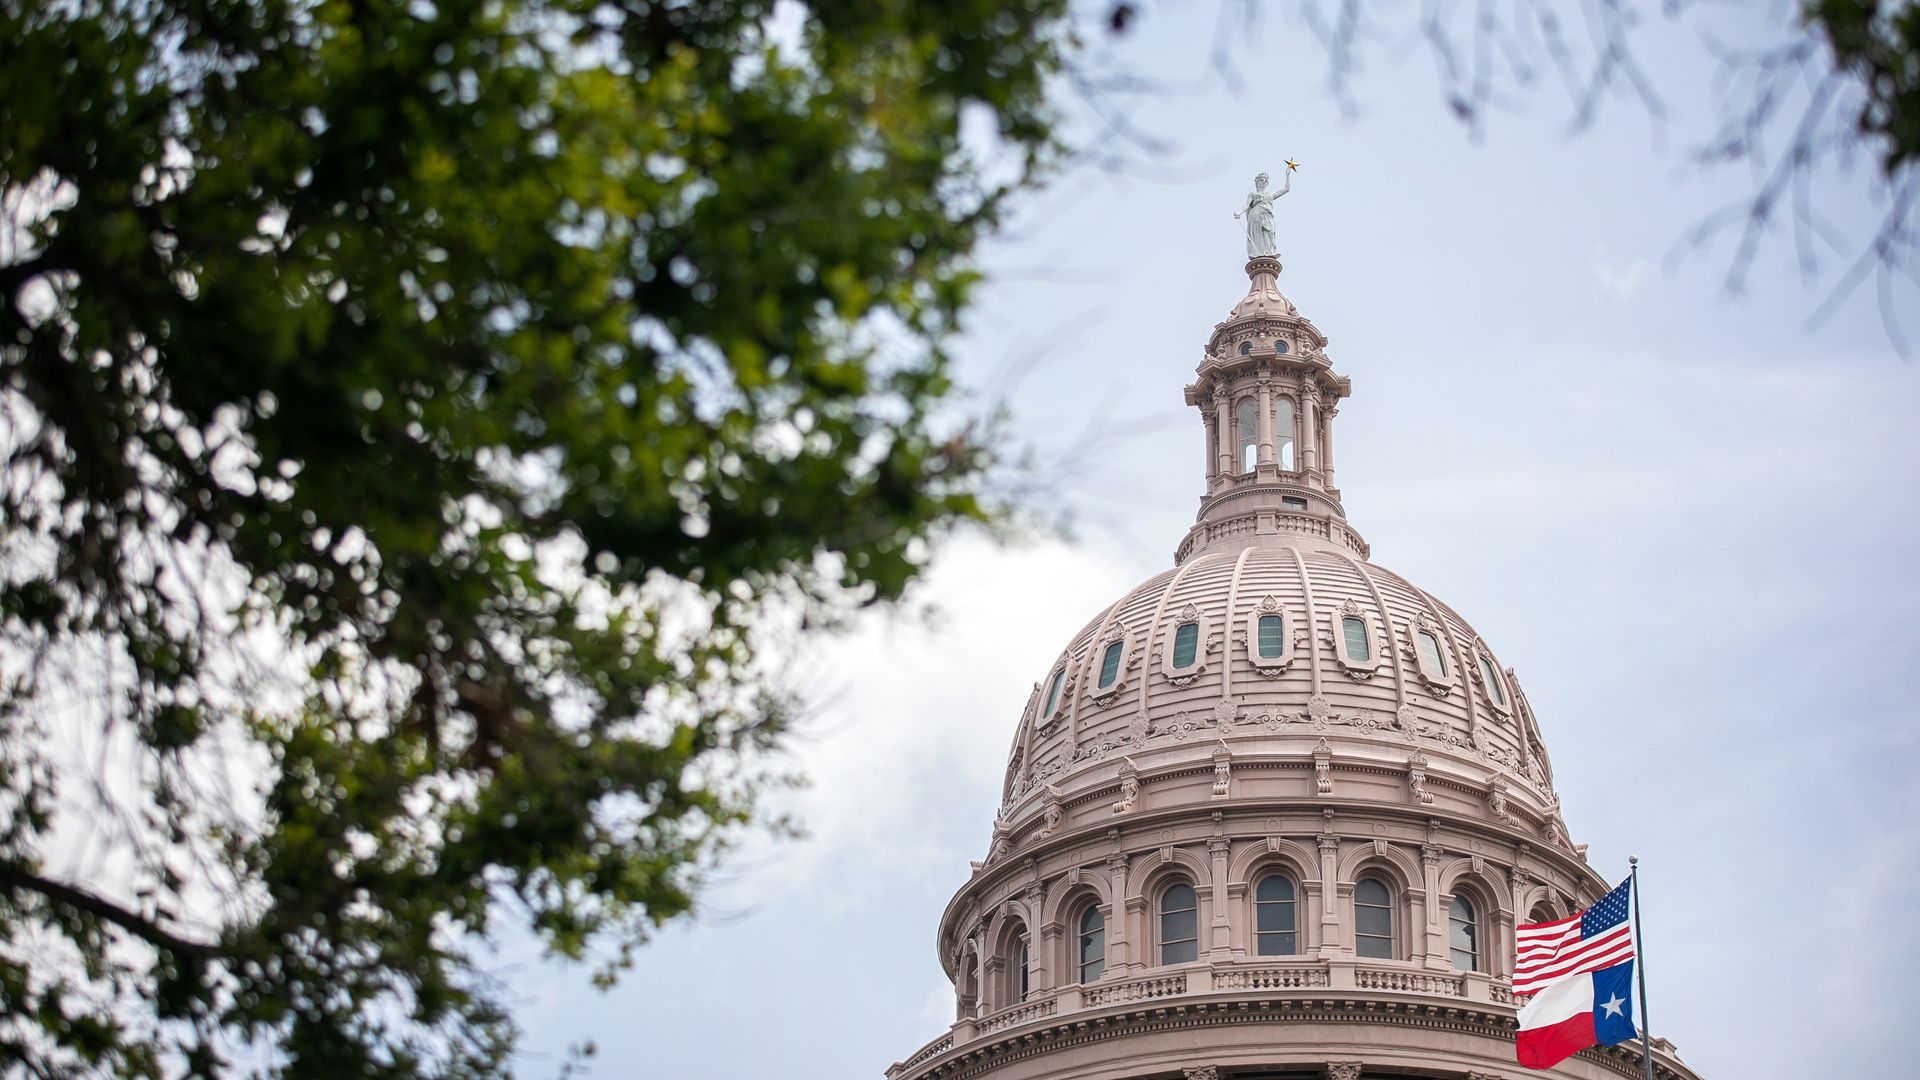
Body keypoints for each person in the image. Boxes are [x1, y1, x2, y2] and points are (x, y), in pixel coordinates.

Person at [1233, 170, 1290, 258]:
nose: (1264, 181)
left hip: (1268, 215)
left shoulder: (1270, 195)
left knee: (1270, 233)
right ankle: (1258, 252)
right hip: (1257, 213)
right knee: (1258, 233)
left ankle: (1270, 252)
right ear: (1257, 182)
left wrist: (1287, 176)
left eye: (1265, 180)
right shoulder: (1253, 194)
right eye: (1261, 180)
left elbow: (1286, 189)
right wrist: (1239, 212)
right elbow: (1247, 205)